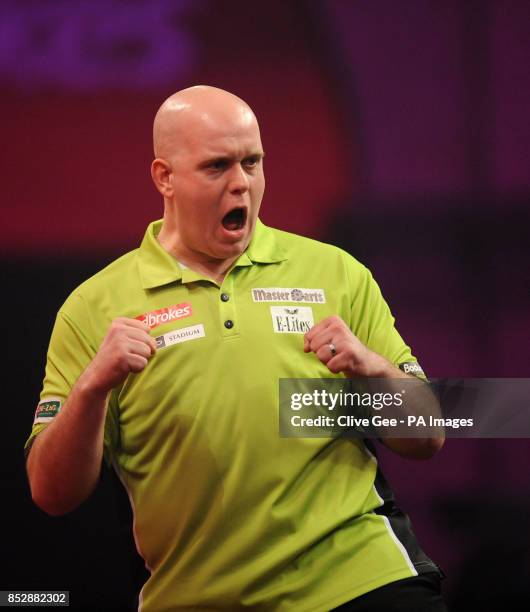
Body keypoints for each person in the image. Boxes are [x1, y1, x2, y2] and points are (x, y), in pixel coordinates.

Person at [25, 85, 447, 611]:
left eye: (252, 162)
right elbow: (51, 492)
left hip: (361, 580)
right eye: (217, 166)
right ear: (165, 178)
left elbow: (429, 434)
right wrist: (92, 388)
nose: (241, 185)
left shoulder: (336, 273)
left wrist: (369, 366)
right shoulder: (93, 307)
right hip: (200, 598)